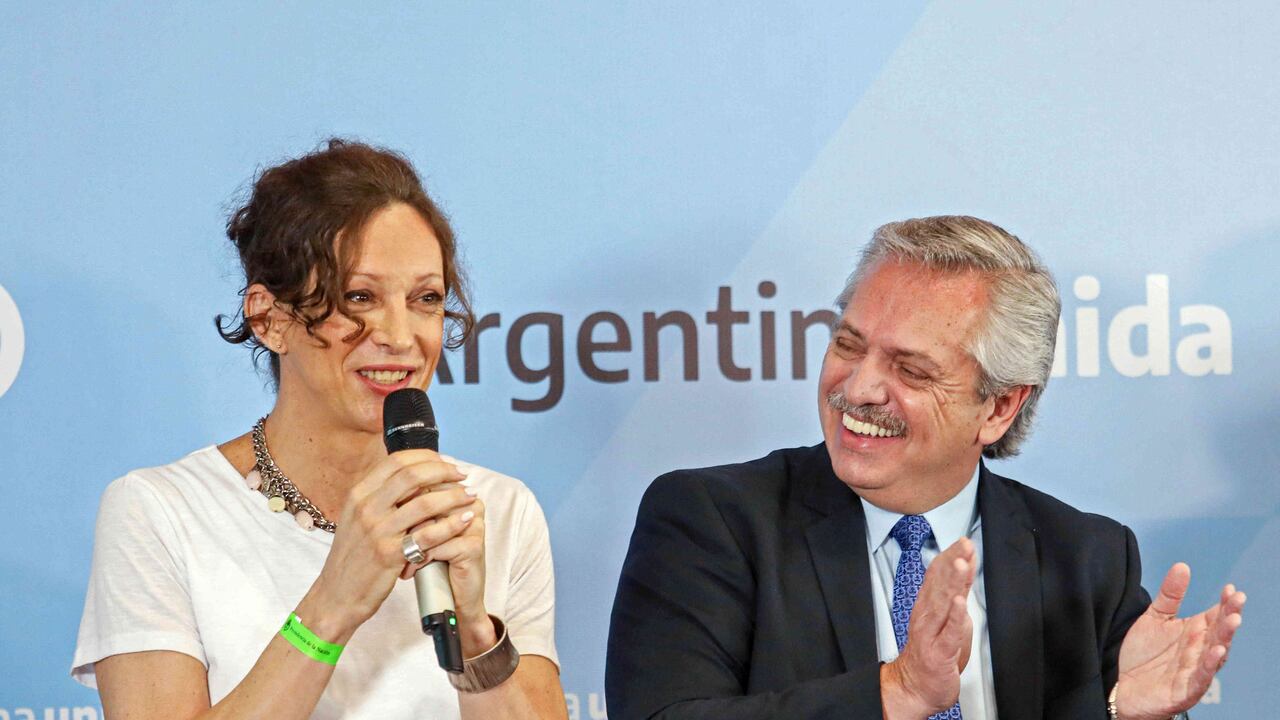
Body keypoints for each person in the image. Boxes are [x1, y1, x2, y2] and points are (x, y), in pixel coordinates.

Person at [606, 216, 1246, 720]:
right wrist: (898, 692)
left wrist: (1124, 715)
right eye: (848, 345)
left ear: (998, 407)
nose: (858, 389)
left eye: (910, 370)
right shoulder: (712, 520)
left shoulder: (1087, 557)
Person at [72, 139, 569, 720]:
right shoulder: (160, 511)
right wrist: (333, 603)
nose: (401, 336)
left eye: (426, 299)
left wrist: (478, 635)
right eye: (359, 297)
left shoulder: (498, 511)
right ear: (268, 318)